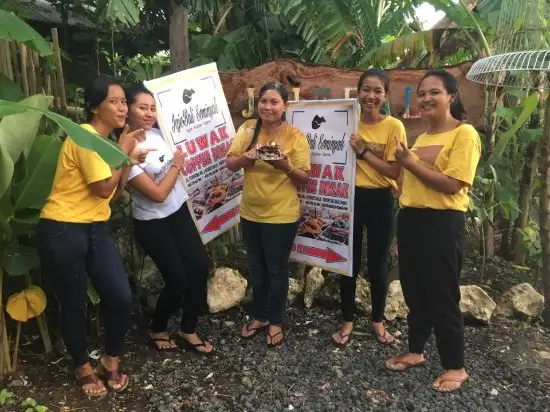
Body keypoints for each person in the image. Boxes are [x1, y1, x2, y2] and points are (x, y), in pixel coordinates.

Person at [36, 77, 151, 397]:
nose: (121, 107)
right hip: (62, 228)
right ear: (93, 107)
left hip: (94, 228)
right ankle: (82, 366)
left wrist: (125, 159)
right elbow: (102, 188)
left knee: (120, 296)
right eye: (113, 101)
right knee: (73, 304)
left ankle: (109, 359)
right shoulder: (84, 137)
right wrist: (125, 150)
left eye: (122, 102)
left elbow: (112, 194)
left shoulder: (108, 145)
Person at [386, 69, 481, 393]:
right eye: (422, 93)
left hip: (442, 224)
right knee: (415, 291)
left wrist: (410, 164)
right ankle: (416, 351)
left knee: (442, 294)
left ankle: (456, 365)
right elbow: (413, 183)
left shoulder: (464, 134)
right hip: (412, 220)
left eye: (434, 92)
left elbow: (454, 185)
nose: (426, 98)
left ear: (451, 96)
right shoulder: (423, 139)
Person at [125, 84, 213, 354]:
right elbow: (159, 194)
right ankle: (158, 326)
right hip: (153, 223)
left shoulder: (157, 133)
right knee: (177, 279)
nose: (149, 113)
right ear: (127, 109)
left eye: (152, 108)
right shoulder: (124, 153)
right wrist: (177, 164)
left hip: (180, 211)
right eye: (142, 107)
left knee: (199, 267)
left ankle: (188, 329)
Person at [226, 82, 311, 347]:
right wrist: (246, 158)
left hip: (281, 215)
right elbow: (230, 163)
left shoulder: (295, 136)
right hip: (250, 212)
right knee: (257, 268)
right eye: (264, 101)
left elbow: (303, 178)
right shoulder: (248, 129)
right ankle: (260, 316)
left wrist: (283, 165)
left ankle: (276, 321)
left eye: (274, 102)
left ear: (285, 106)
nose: (268, 107)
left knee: (276, 270)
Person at [331, 69, 406, 346]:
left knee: (378, 264)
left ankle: (377, 321)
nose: (371, 96)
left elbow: (395, 171)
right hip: (349, 198)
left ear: (385, 95)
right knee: (347, 262)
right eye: (366, 89)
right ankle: (347, 320)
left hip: (380, 199)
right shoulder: (348, 120)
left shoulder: (394, 127)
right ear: (357, 91)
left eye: (377, 91)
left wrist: (363, 151)